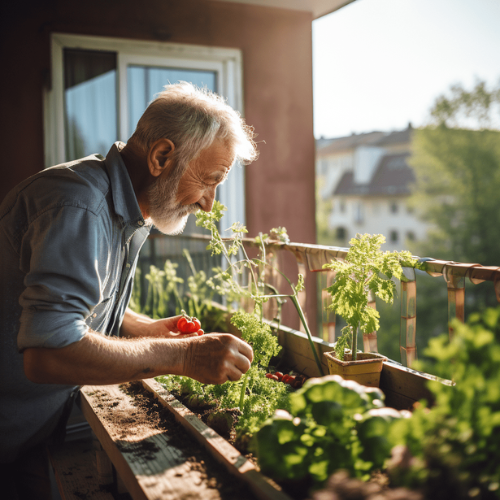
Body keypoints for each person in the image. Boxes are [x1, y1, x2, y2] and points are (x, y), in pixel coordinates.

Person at [0, 82, 257, 499]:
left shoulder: (121, 207)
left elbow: (81, 309)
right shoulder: (78, 206)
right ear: (161, 157)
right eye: (210, 181)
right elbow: (48, 353)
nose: (209, 203)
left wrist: (146, 328)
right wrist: (186, 355)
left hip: (35, 430)